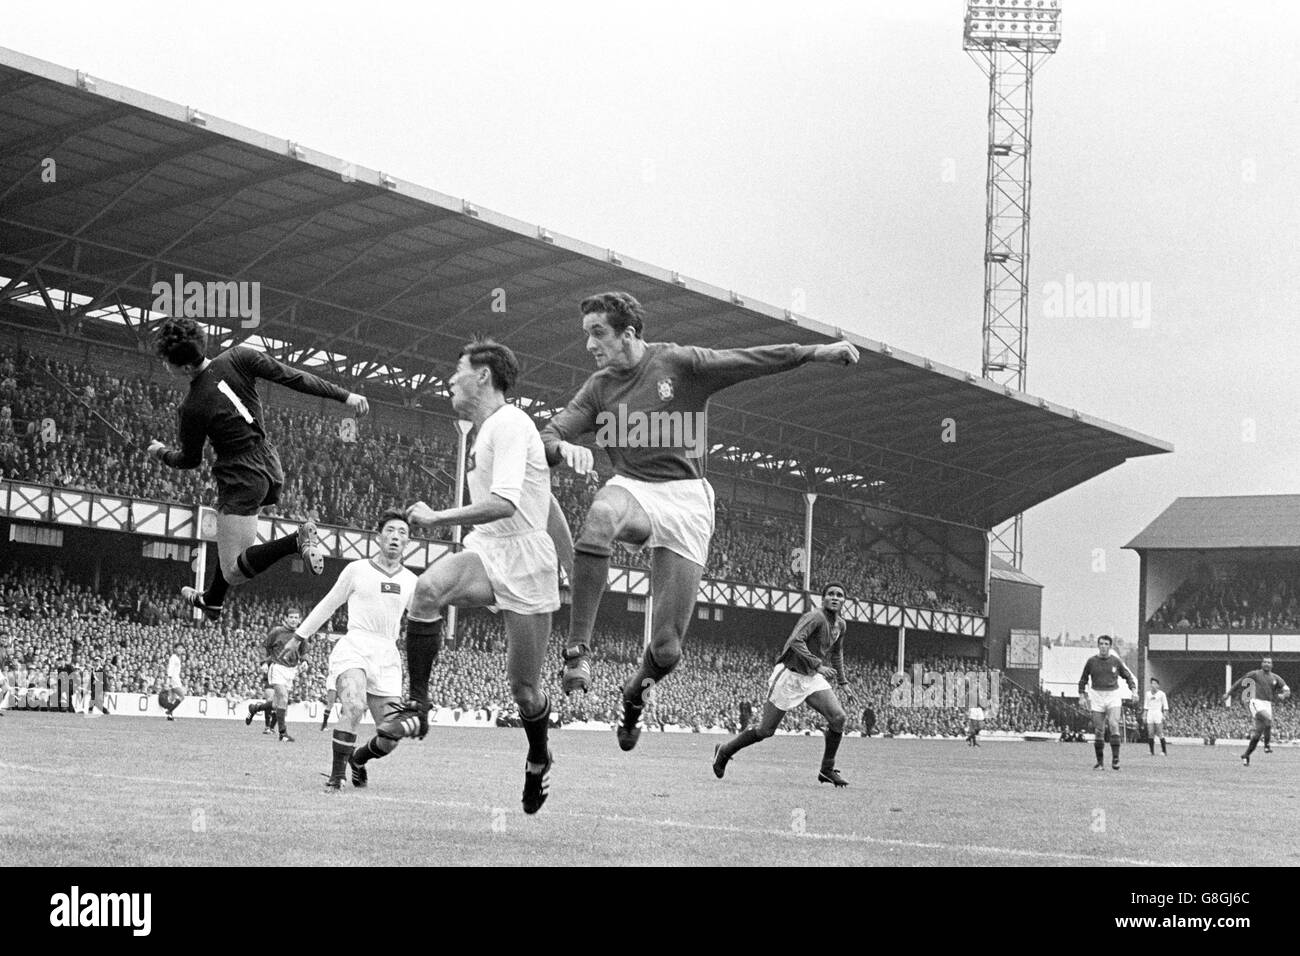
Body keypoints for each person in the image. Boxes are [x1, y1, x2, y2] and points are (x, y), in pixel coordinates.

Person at [540, 291, 858, 750]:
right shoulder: (599, 388)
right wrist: (561, 447)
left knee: (667, 650)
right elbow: (551, 431)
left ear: (628, 334)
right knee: (600, 516)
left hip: (688, 501)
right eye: (586, 334)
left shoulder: (678, 363)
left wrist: (814, 352)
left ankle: (634, 696)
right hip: (634, 488)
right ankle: (577, 651)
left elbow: (748, 360)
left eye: (597, 333)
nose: (590, 344)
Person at [405, 337, 573, 814]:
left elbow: (509, 503)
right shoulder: (486, 433)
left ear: (483, 375)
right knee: (426, 591)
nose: (450, 379)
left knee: (523, 690)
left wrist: (438, 518)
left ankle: (539, 756)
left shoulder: (512, 422)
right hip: (489, 548)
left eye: (457, 369)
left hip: (527, 562)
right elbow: (546, 496)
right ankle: (418, 703)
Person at [145, 316, 370, 622]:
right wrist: (346, 396)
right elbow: (293, 377)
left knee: (234, 570)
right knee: (234, 549)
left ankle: (296, 540)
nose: (164, 367)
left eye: (166, 362)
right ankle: (212, 600)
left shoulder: (192, 407)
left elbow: (190, 460)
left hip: (239, 476)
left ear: (183, 367)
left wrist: (161, 453)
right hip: (267, 464)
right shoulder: (239, 356)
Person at [291, 510, 417, 792]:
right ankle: (336, 777)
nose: (395, 537)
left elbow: (423, 621)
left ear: (408, 542)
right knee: (353, 705)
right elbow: (329, 603)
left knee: (390, 736)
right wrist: (299, 636)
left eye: (402, 533)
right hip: (355, 646)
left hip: (387, 656)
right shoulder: (357, 569)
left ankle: (358, 760)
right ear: (378, 536)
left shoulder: (411, 581)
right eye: (390, 531)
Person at [711, 583, 852, 787]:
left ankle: (827, 769)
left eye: (839, 595)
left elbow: (837, 652)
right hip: (790, 674)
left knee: (838, 718)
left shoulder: (841, 624)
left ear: (844, 600)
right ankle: (725, 750)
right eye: (830, 594)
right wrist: (818, 665)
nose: (835, 597)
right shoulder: (815, 617)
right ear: (823, 599)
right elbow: (796, 641)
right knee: (765, 731)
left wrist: (843, 681)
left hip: (811, 676)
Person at [1077, 635, 1137, 770]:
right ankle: (1100, 762)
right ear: (1098, 646)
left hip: (1112, 695)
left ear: (1110, 646)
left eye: (1106, 644)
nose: (1103, 646)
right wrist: (1081, 695)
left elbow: (1127, 676)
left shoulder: (1115, 661)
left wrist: (1133, 691)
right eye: (1101, 644)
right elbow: (1083, 679)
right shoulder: (1091, 662)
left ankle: (1116, 759)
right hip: (1097, 695)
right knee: (1099, 730)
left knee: (1113, 724)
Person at [246, 608, 304, 741]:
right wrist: (264, 662)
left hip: (291, 670)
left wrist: (305, 660)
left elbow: (304, 650)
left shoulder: (301, 634)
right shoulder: (277, 631)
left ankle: (255, 708)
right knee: (283, 697)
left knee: (276, 704)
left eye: (296, 617)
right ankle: (283, 734)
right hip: (277, 667)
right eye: (291, 617)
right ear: (285, 618)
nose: (294, 620)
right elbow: (264, 647)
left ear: (300, 620)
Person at [1223, 657, 1291, 766]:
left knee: (1257, 735)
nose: (1266, 664)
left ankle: (1246, 755)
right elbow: (1240, 681)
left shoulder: (1275, 678)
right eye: (1264, 662)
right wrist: (1228, 694)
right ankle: (1267, 745)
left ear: (1272, 665)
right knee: (1268, 720)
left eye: (1269, 662)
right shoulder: (1255, 674)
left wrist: (1284, 695)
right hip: (1256, 702)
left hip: (1267, 704)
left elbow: (1287, 690)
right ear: (1261, 663)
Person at [1144, 677, 1169, 757]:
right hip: (1150, 714)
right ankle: (1151, 751)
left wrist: (1164, 716)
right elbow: (1146, 706)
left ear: (1158, 685)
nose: (1153, 685)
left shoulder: (1162, 694)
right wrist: (1145, 715)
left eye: (1155, 683)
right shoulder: (1147, 694)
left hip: (1158, 713)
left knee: (1160, 732)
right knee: (1150, 733)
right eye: (1152, 683)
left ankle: (1164, 751)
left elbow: (1165, 707)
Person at [162, 643, 185, 721]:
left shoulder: (177, 658)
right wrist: (169, 679)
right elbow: (170, 669)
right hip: (174, 679)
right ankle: (169, 710)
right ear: (175, 649)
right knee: (182, 696)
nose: (180, 650)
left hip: (175, 678)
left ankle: (170, 717)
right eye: (179, 648)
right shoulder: (173, 657)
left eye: (181, 648)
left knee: (172, 698)